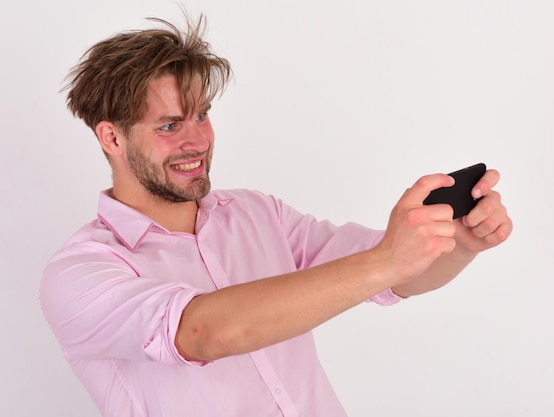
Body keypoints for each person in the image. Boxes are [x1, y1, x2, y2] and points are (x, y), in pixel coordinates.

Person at [40, 14, 512, 417]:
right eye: (169, 125)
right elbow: (203, 331)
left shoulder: (254, 213)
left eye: (201, 115)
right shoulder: (80, 273)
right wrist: (388, 259)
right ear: (112, 138)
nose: (197, 141)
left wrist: (458, 244)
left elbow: (393, 275)